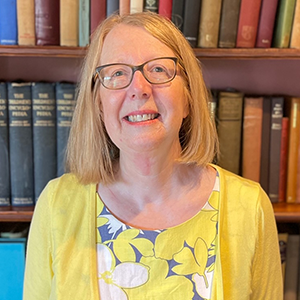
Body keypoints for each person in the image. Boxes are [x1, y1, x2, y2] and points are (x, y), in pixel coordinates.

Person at [23, 11, 283, 300]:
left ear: (188, 97)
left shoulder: (250, 208)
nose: (139, 89)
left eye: (159, 69)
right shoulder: (57, 205)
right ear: (98, 104)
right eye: (117, 72)